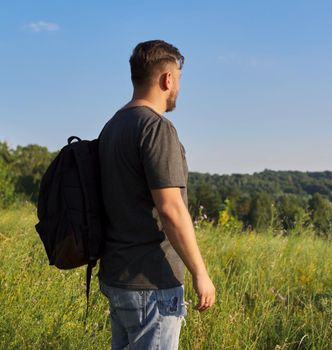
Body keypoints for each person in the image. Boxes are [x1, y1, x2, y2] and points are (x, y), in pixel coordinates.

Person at [97, 40, 216, 350]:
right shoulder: (156, 128)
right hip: (152, 284)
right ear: (168, 79)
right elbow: (171, 208)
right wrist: (200, 273)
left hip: (118, 277)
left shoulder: (112, 126)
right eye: (178, 79)